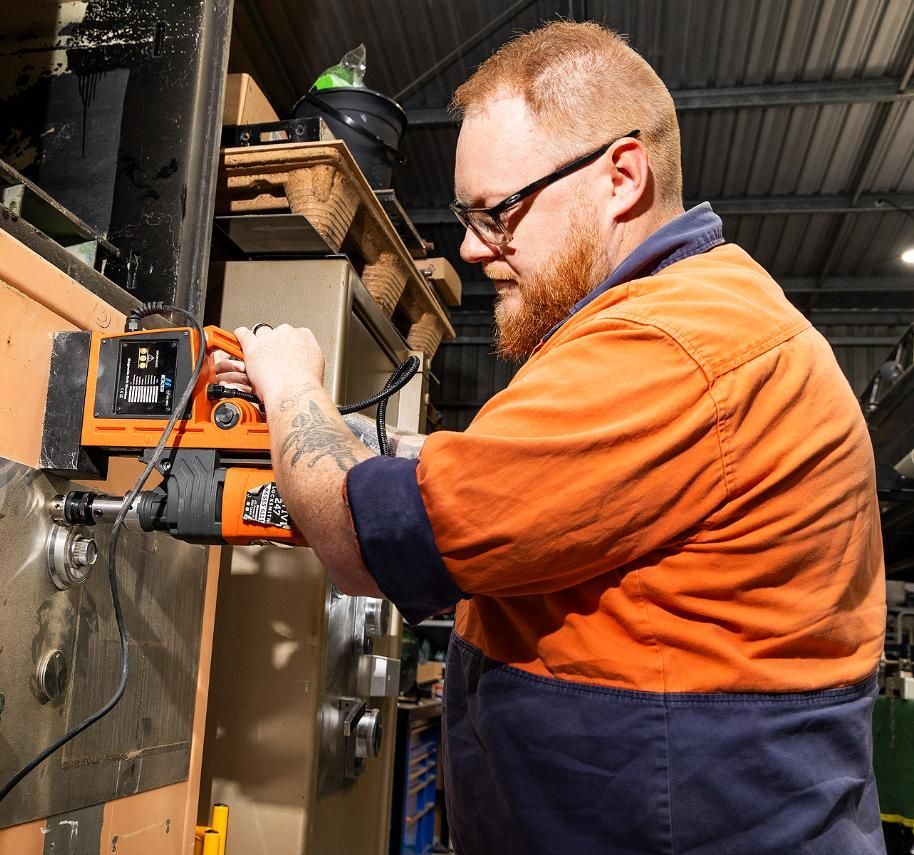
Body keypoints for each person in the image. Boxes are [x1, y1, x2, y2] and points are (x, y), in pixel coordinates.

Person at [217, 19, 887, 855]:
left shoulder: (671, 346)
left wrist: (292, 388)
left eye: (498, 212)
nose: (471, 247)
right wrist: (366, 441)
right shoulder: (699, 322)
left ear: (621, 177)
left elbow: (360, 539)